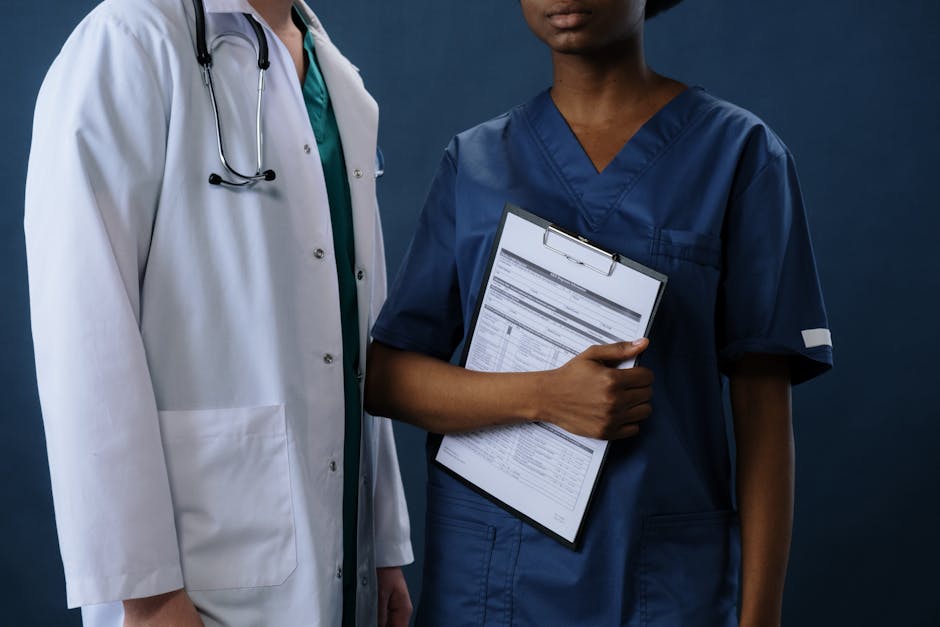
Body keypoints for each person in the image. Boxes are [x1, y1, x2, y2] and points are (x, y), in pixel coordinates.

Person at [365, 0, 833, 625]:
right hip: (491, 582)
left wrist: (761, 617)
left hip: (661, 581)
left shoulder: (739, 155)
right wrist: (545, 396)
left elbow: (763, 407)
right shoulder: (475, 164)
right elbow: (385, 376)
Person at [24, 0, 413, 625]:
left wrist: (384, 546)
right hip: (193, 583)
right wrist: (146, 596)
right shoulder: (129, 40)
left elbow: (355, 321)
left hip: (340, 556)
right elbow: (83, 334)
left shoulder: (330, 67)